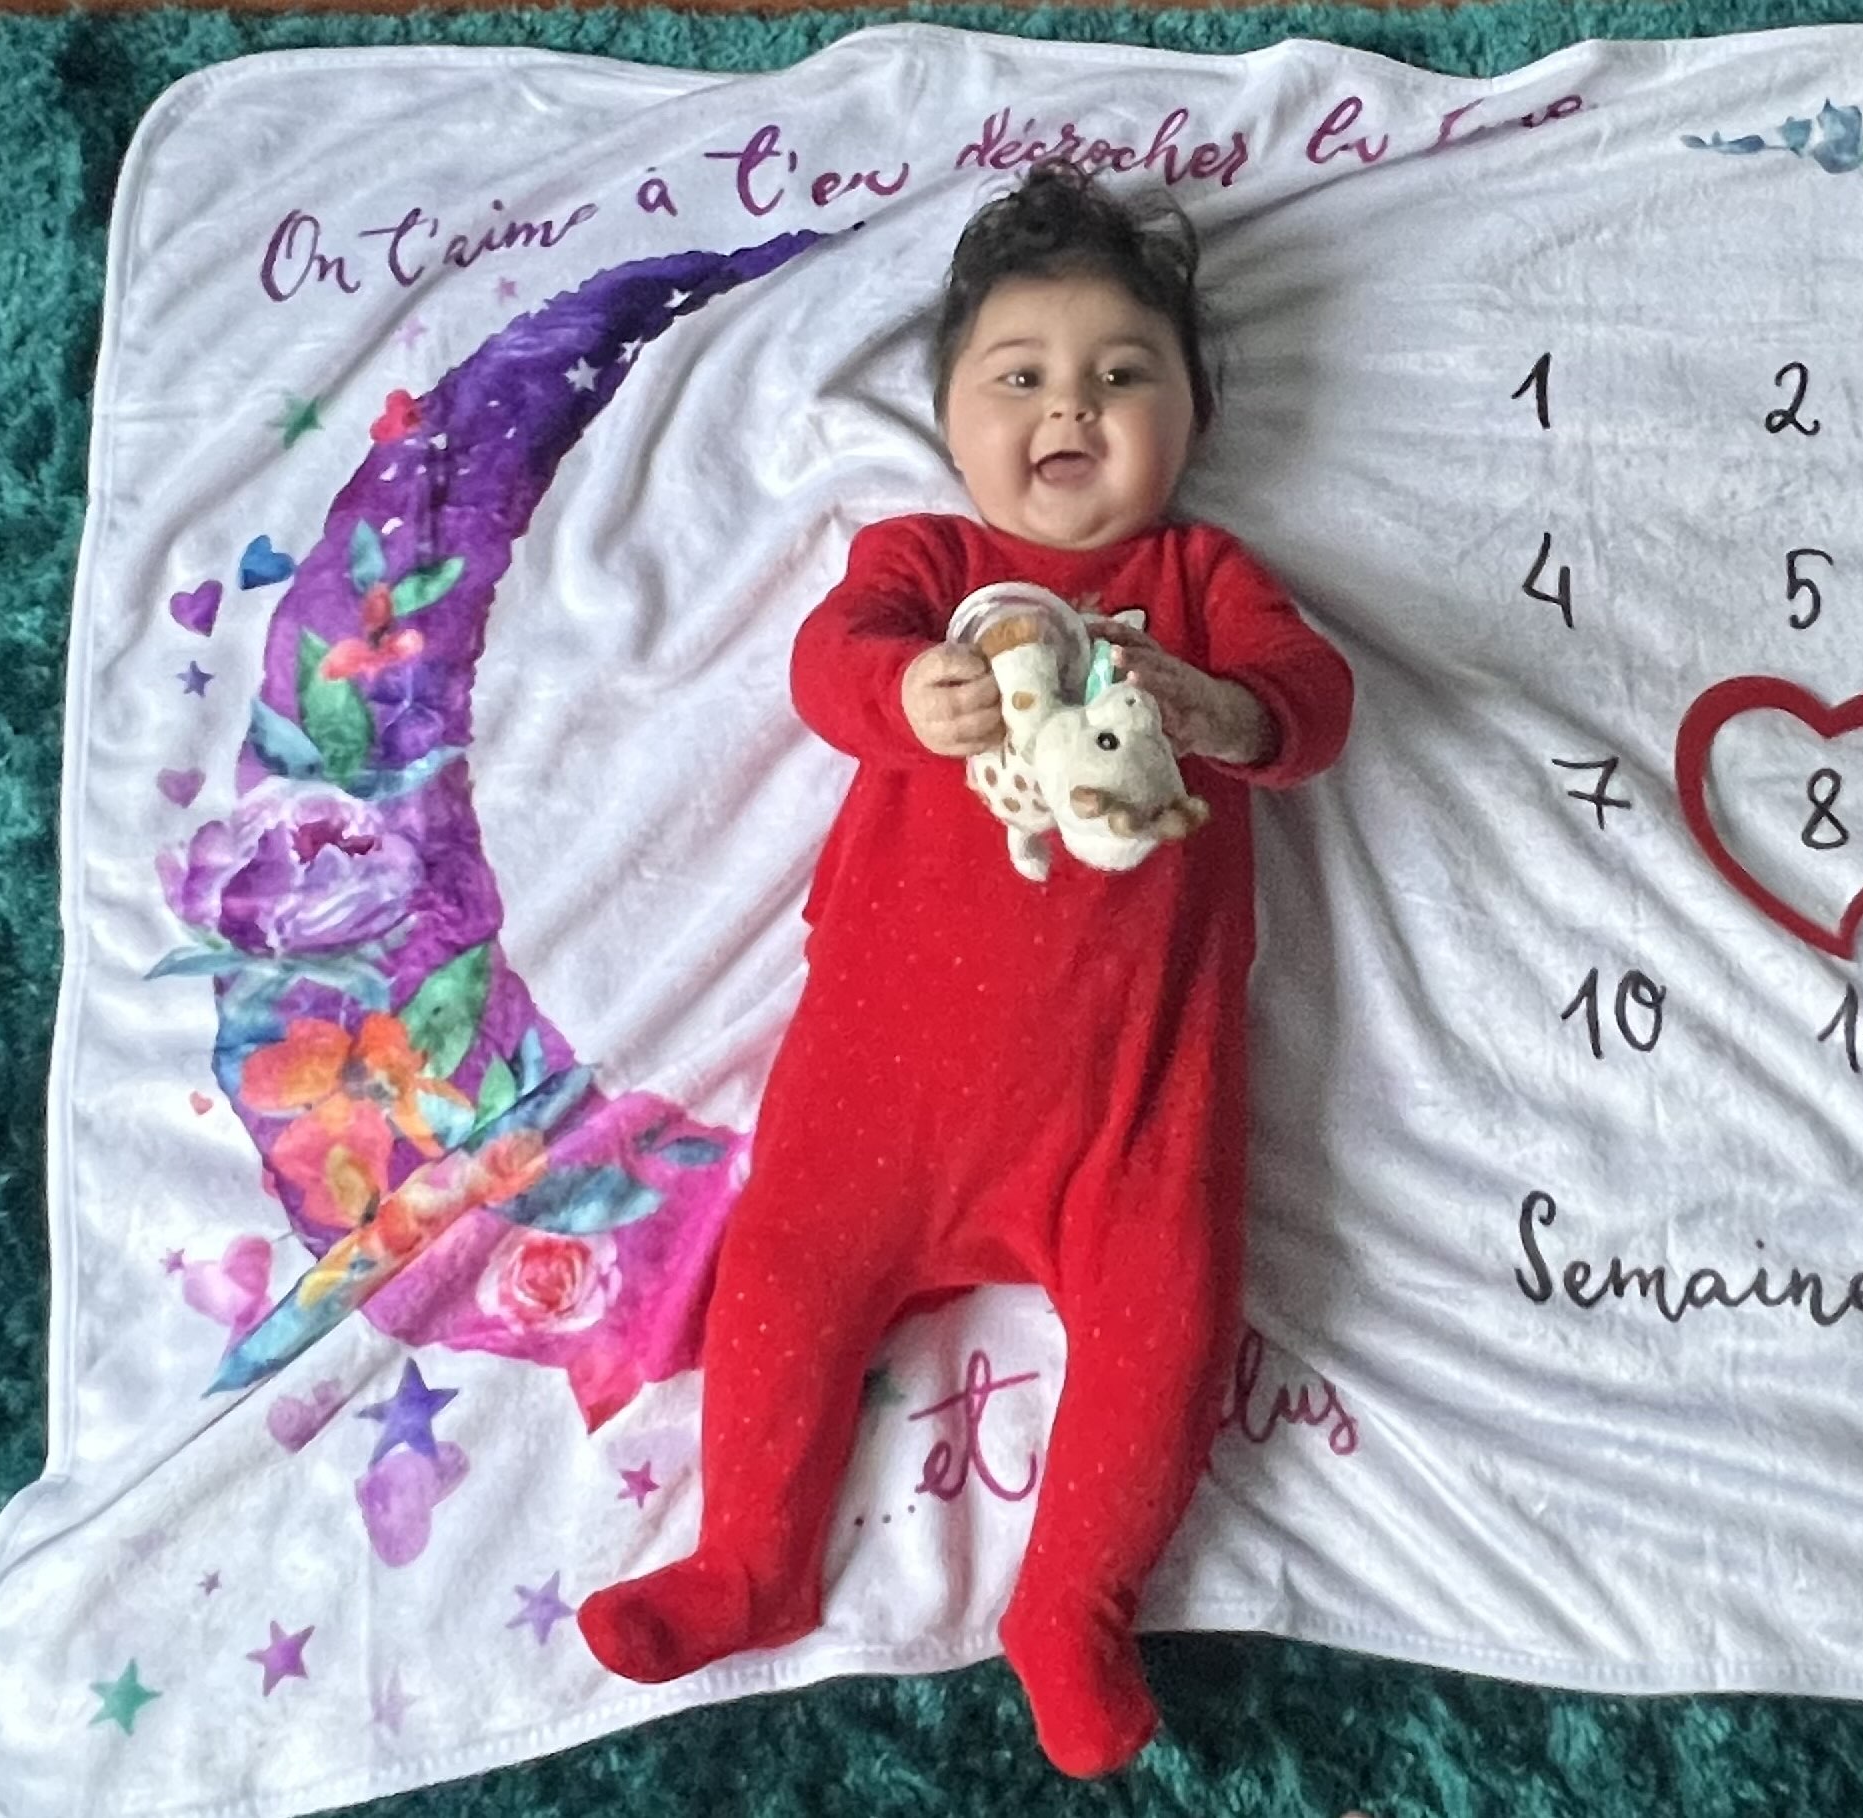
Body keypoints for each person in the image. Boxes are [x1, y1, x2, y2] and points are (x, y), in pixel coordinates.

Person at [576, 158, 1354, 1778]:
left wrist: (1224, 709)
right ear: (949, 419)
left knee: (1173, 1319)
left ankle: (1073, 1601)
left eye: (1124, 376)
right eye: (1022, 377)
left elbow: (1314, 701)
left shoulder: (1199, 586)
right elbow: (831, 659)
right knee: (782, 1272)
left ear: (1193, 423)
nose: (1072, 405)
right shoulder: (928, 564)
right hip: (881, 1088)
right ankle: (752, 1557)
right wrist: (905, 690)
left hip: (1133, 1106)